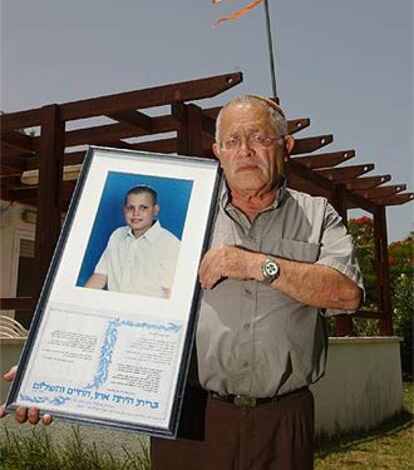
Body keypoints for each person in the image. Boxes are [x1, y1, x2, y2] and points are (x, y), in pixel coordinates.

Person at [1, 95, 363, 469]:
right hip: (191, 415)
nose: (245, 151)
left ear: (285, 146)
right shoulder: (192, 214)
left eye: (259, 138)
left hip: (282, 419)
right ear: (217, 151)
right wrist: (46, 368)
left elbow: (346, 293)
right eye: (232, 141)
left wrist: (257, 264)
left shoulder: (318, 215)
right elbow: (123, 301)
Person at [84, 185, 180, 298]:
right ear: (124, 209)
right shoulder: (117, 235)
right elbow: (101, 275)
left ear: (155, 210)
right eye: (130, 208)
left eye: (143, 208)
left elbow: (170, 292)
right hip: (113, 308)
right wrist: (80, 299)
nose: (136, 213)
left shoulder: (170, 243)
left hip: (148, 312)